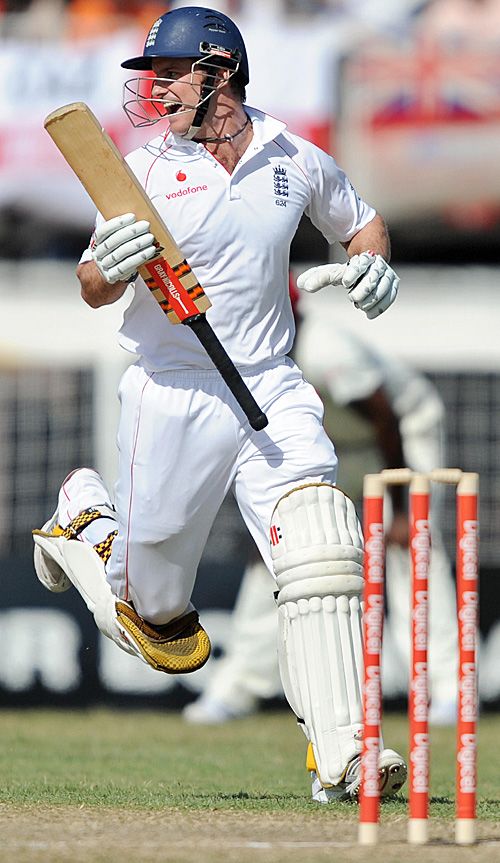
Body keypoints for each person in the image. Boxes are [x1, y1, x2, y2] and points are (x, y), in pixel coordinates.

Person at [33, 6, 405, 804]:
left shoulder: (292, 156)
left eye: (170, 71)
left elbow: (363, 225)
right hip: (174, 391)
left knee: (321, 544)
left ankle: (346, 753)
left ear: (219, 71)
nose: (155, 87)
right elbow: (93, 288)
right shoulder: (142, 171)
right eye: (151, 74)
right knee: (157, 624)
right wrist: (113, 264)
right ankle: (85, 517)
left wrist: (373, 269)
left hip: (271, 383)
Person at [184, 299, 459, 733]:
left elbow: (386, 420)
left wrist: (404, 513)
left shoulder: (327, 348)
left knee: (412, 552)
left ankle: (445, 689)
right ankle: (235, 690)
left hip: (401, 437)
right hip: (331, 448)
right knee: (282, 556)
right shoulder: (244, 358)